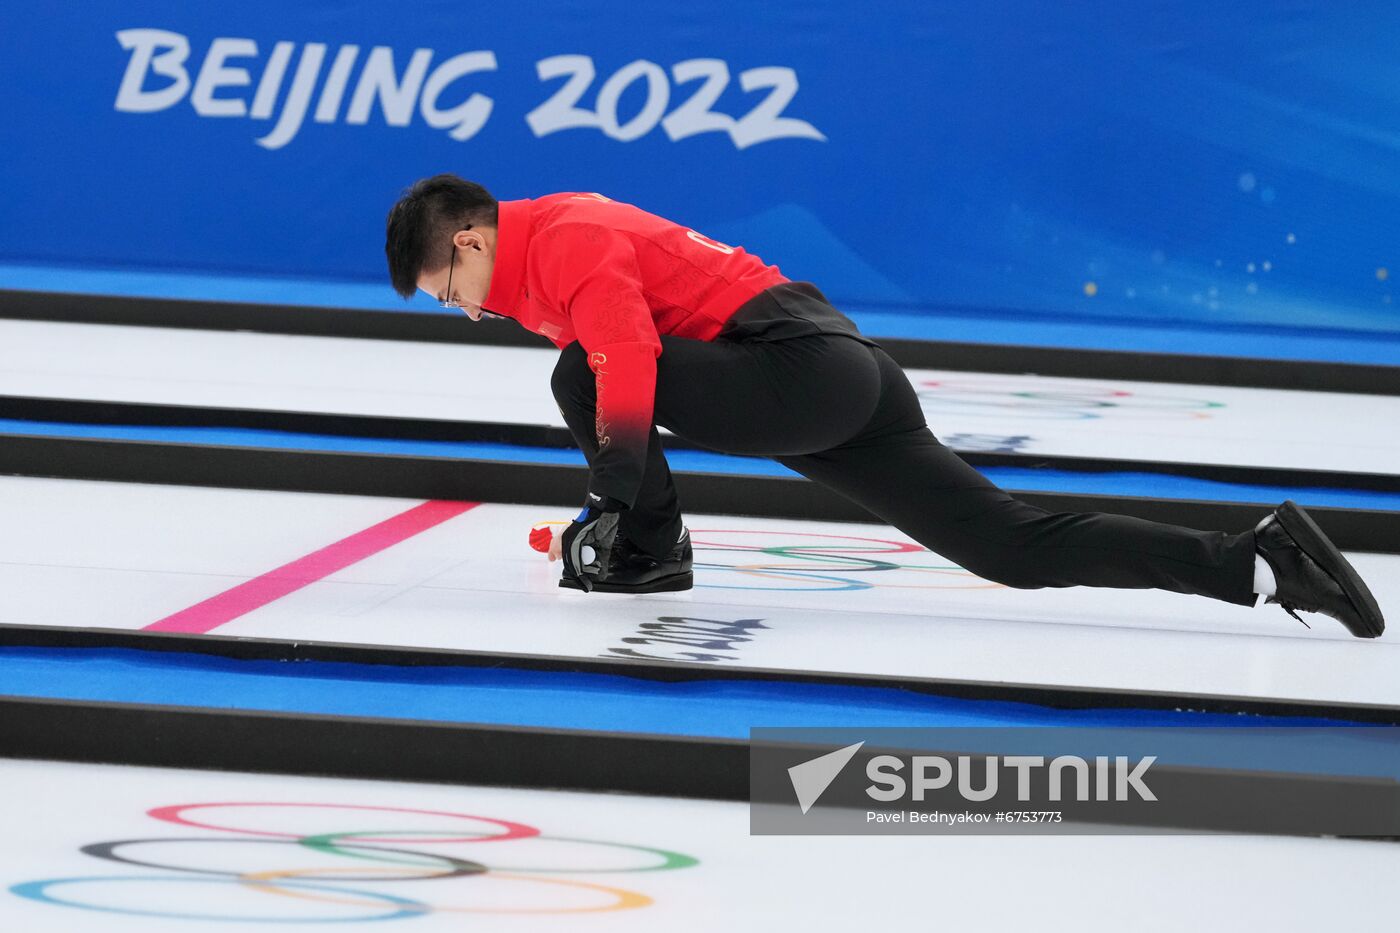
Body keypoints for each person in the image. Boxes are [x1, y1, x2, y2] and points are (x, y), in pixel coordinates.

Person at [384, 174, 1385, 639]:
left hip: (800, 369)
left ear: (469, 242)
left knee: (583, 373)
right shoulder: (540, 263)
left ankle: (651, 550)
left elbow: (629, 359)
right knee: (1006, 544)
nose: (460, 313)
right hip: (840, 369)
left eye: (445, 292)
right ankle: (1256, 562)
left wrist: (611, 499)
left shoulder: (563, 236)